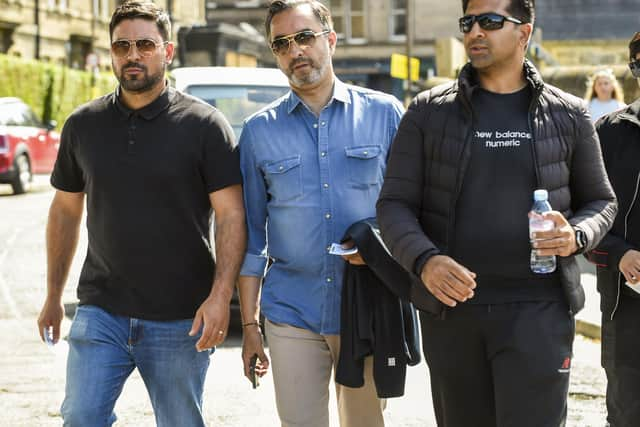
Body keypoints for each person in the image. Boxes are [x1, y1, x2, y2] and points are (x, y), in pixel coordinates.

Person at [376, 0, 617, 425]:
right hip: (452, 313)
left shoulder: (568, 113)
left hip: (539, 311)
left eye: (489, 22)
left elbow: (602, 201)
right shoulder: (428, 112)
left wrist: (575, 235)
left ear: (524, 33)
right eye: (468, 22)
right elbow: (394, 205)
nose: (474, 32)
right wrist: (425, 260)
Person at [35, 1, 246, 426]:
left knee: (180, 422)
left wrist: (221, 295)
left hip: (181, 317)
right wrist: (53, 296)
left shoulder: (205, 126)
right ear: (112, 52)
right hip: (101, 310)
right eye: (122, 46)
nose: (133, 55)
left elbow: (231, 217)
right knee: (81, 417)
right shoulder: (83, 125)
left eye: (145, 45)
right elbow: (64, 212)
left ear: (167, 51)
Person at [237, 1, 405, 426]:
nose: (296, 51)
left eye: (305, 37)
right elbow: (251, 236)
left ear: (330, 40)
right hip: (292, 309)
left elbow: (410, 211)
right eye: (282, 43)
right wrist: (251, 326)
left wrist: (383, 251)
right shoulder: (258, 132)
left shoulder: (385, 115)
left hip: (366, 307)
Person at [588, 31, 640, 427]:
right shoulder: (608, 132)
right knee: (627, 413)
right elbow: (581, 218)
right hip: (627, 306)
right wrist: (619, 254)